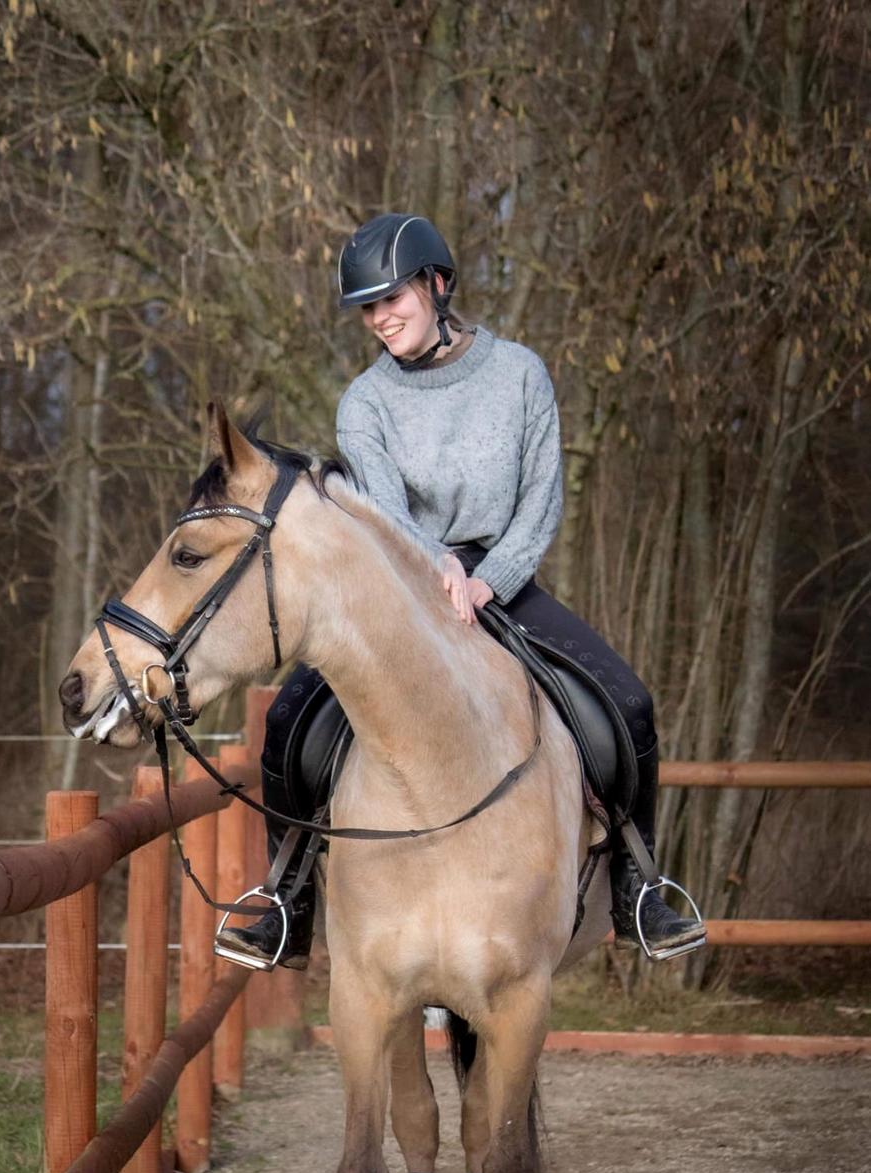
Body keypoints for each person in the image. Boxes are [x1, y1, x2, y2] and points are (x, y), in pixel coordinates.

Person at [216, 213, 705, 969]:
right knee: (287, 720)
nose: (380, 318)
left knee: (629, 705)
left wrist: (485, 583)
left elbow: (541, 501)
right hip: (402, 587)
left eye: (392, 298)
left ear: (438, 284)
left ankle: (638, 887)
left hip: (503, 582)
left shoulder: (519, 375)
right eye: (368, 308)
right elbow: (383, 510)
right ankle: (289, 900)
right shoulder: (365, 403)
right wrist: (433, 568)